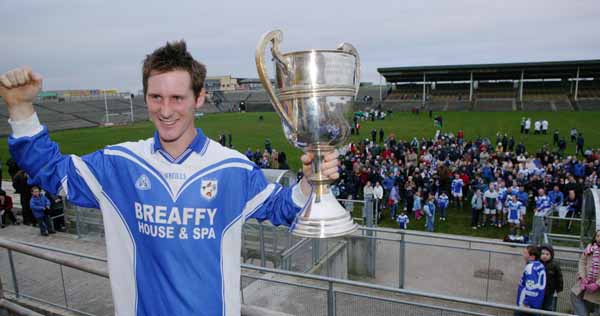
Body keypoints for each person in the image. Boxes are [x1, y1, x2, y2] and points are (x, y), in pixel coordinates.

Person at [0, 41, 339, 316]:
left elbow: (284, 208)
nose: (165, 110)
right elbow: (54, 173)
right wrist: (20, 109)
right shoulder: (121, 164)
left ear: (199, 98)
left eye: (177, 98)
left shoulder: (232, 168)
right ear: (145, 96)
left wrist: (311, 182)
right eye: (155, 97)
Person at [571, 230, 600, 316]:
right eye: (598, 236)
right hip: (585, 287)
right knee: (575, 295)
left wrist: (597, 284)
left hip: (597, 291)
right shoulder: (589, 249)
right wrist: (583, 278)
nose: (599, 238)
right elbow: (582, 262)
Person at [516, 245, 546, 315]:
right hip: (536, 302)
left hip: (527, 305)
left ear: (532, 257)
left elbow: (531, 287)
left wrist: (526, 302)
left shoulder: (530, 267)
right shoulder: (540, 264)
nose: (523, 255)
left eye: (525, 253)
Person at [540, 244, 563, 312]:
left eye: (547, 254)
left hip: (549, 291)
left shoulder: (554, 265)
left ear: (551, 255)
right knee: (537, 306)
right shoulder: (537, 264)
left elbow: (559, 278)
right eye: (543, 253)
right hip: (538, 291)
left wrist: (559, 289)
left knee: (547, 307)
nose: (544, 256)